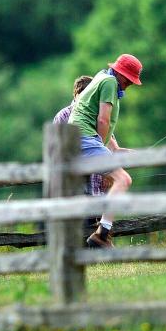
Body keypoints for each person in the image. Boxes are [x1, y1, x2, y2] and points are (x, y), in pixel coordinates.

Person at [68, 53, 143, 248]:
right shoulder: (110, 82)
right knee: (123, 179)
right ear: (121, 74)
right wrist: (103, 154)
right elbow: (102, 120)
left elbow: (107, 138)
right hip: (85, 138)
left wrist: (120, 153)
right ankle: (102, 235)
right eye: (129, 79)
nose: (130, 84)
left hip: (80, 138)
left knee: (119, 178)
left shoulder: (102, 77)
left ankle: (101, 233)